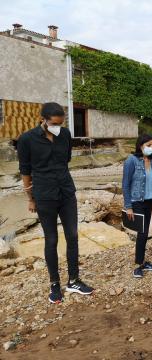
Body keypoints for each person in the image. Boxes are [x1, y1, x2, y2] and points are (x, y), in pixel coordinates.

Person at [16, 102, 94, 304]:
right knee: (51, 239)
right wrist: (31, 198)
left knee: (73, 236)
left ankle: (74, 280)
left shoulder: (65, 135)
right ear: (42, 119)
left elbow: (65, 160)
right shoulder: (26, 140)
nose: (57, 127)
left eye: (60, 123)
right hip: (44, 195)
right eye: (53, 123)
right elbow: (25, 171)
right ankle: (54, 284)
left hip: (67, 191)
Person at [122, 134, 152, 278]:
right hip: (137, 201)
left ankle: (142, 261)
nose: (151, 148)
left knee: (144, 233)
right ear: (140, 145)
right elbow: (125, 184)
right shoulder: (131, 161)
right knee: (142, 233)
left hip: (149, 201)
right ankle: (138, 265)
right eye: (148, 145)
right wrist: (128, 206)